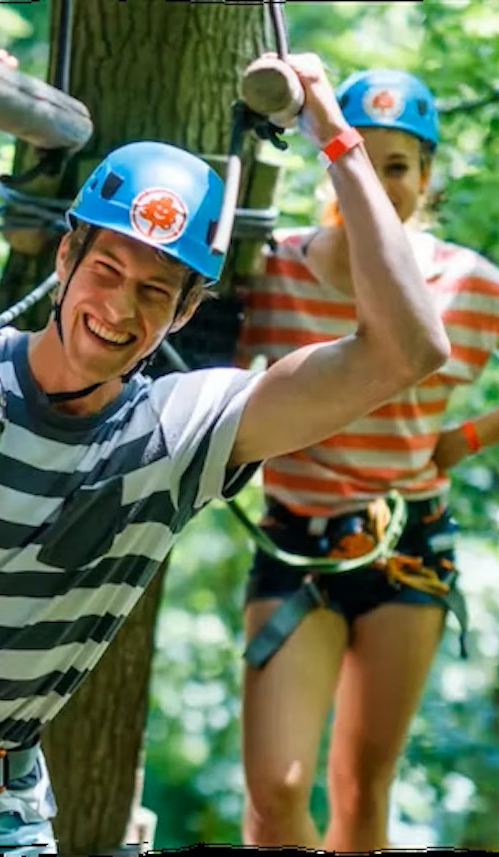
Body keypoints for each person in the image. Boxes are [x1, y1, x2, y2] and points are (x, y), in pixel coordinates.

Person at [0, 53, 450, 857]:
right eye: (107, 269)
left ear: (184, 311)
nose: (119, 306)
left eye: (154, 290)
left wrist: (338, 142)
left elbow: (405, 351)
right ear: (65, 260)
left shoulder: (180, 431)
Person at [235, 67, 499, 851]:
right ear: (331, 162)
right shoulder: (273, 269)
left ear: (426, 178)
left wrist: (467, 438)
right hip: (297, 546)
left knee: (362, 784)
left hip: (409, 547)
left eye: (399, 167)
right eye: (363, 160)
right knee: (277, 790)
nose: (382, 185)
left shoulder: (470, 285)